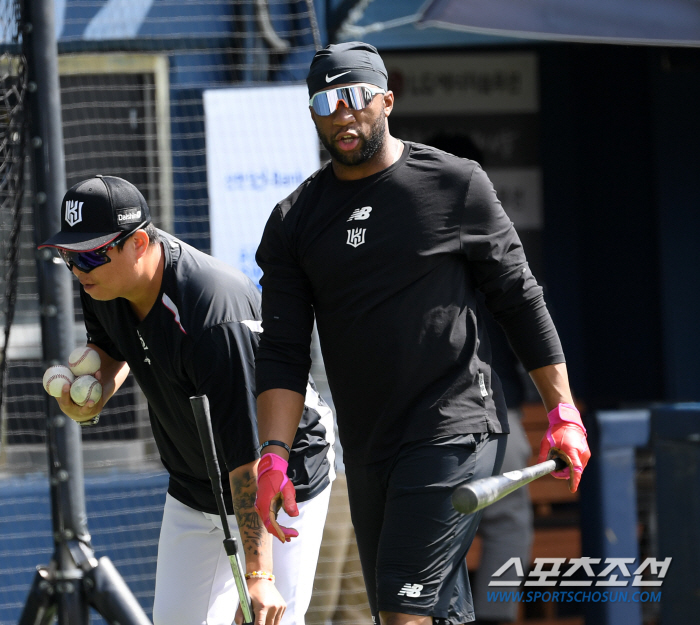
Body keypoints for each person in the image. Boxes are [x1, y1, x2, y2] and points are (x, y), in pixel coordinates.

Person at [252, 41, 591, 625]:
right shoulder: (294, 220)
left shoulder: (456, 185)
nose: (342, 112)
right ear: (311, 113)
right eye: (326, 101)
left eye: (355, 97)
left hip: (453, 427)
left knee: (401, 613)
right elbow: (282, 350)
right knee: (434, 611)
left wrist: (562, 413)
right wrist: (273, 458)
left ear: (386, 99)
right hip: (366, 445)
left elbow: (520, 300)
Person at [38, 175, 335, 625]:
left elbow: (248, 458)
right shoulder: (104, 283)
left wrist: (258, 573)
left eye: (92, 254)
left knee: (266, 616)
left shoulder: (211, 316)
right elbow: (112, 346)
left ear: (138, 243)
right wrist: (94, 392)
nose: (79, 270)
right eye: (68, 256)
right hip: (194, 484)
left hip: (279, 482)